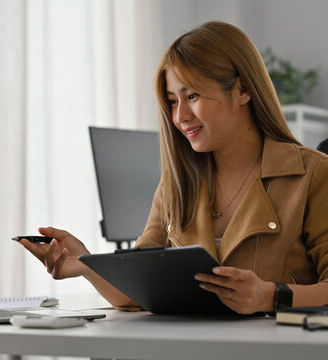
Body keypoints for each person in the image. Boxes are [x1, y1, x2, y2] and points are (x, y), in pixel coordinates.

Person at [19, 21, 328, 315]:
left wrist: (272, 297)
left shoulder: (313, 174)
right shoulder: (176, 184)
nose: (179, 116)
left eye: (191, 96)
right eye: (171, 101)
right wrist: (86, 263)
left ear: (242, 88)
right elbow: (135, 292)